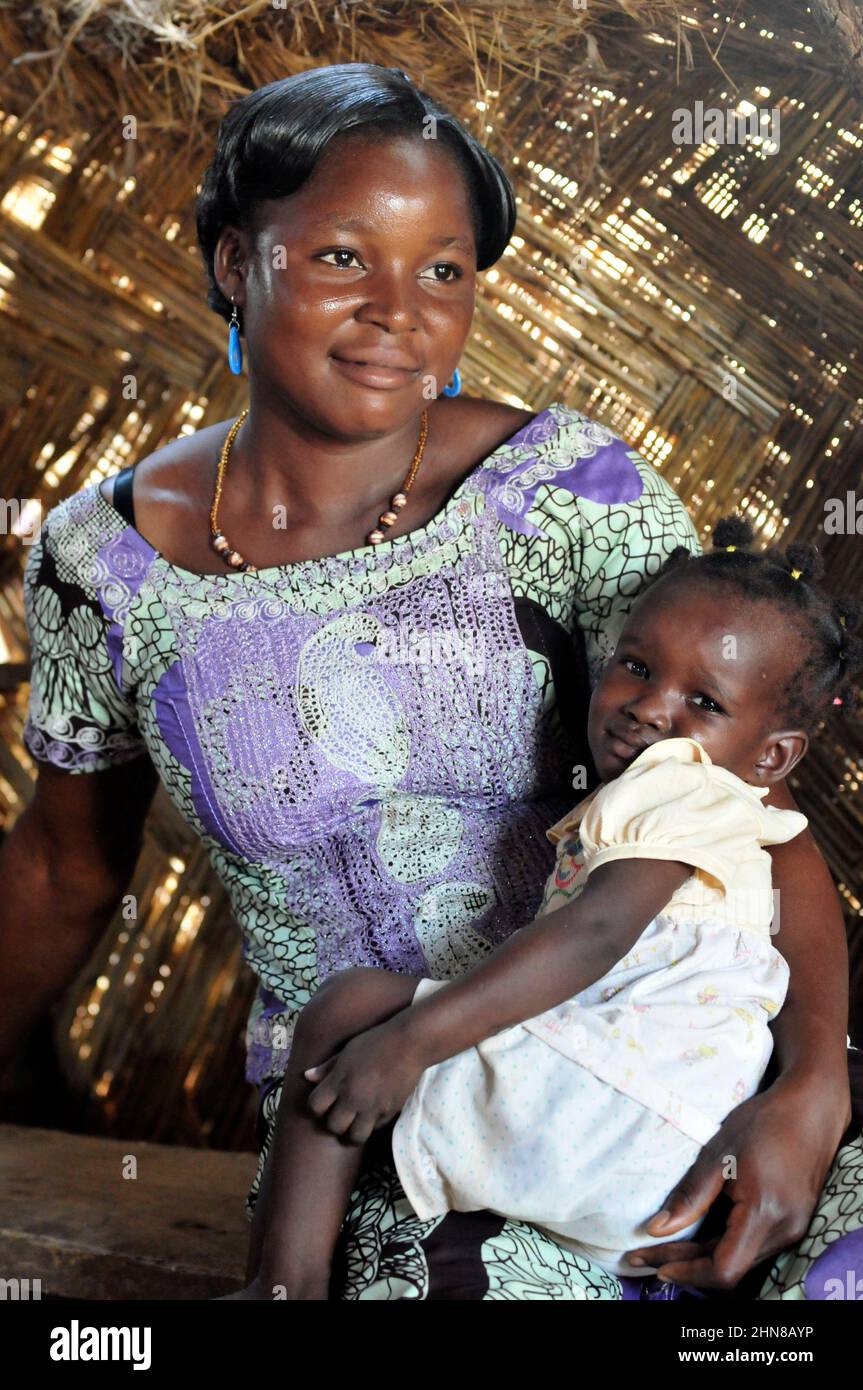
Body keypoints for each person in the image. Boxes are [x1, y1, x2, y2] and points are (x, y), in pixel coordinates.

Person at [1, 63, 858, 1301]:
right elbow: (60, 866)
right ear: (241, 263)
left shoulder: (566, 496)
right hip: (381, 1108)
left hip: (676, 1054)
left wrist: (811, 1085)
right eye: (345, 257)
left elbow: (746, 823)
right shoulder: (102, 559)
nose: (400, 310)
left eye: (443, 270)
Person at [220, 517, 860, 1299]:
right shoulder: (738, 817)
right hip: (669, 1178)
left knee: (349, 1010)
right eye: (634, 666)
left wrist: (412, 1041)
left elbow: (591, 935)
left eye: (702, 699)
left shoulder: (675, 785)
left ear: (772, 758)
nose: (649, 709)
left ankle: (280, 1286)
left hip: (601, 1123)